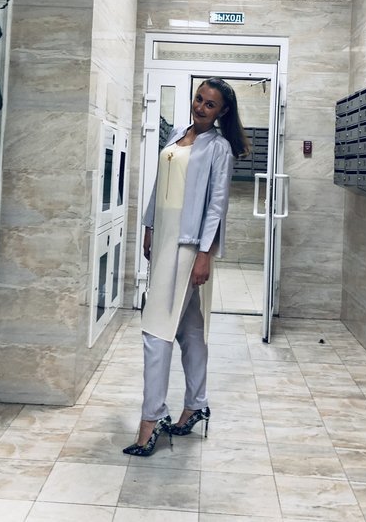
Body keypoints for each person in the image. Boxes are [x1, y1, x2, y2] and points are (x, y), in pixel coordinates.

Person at [123, 77, 249, 456]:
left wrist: (204, 254)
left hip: (187, 245)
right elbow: (159, 182)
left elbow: (217, 205)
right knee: (190, 329)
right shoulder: (177, 132)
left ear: (222, 111)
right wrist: (149, 225)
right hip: (163, 238)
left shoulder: (219, 148)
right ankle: (196, 404)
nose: (201, 107)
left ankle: (152, 418)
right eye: (199, 99)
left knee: (156, 330)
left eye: (210, 104)